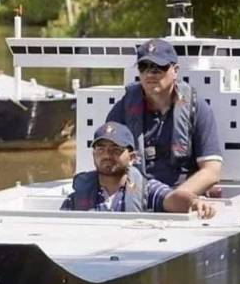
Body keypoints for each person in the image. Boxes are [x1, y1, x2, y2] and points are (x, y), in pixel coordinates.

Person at [106, 38, 222, 196]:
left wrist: (174, 198)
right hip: (136, 194)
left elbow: (211, 170)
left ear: (175, 70)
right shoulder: (122, 111)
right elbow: (108, 163)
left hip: (182, 194)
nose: (149, 74)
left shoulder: (198, 109)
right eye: (143, 67)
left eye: (157, 68)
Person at [61, 122, 216, 217]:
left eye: (116, 150)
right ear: (94, 154)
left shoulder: (147, 190)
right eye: (101, 150)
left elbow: (172, 198)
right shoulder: (77, 196)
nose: (107, 155)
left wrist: (194, 202)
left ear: (132, 157)